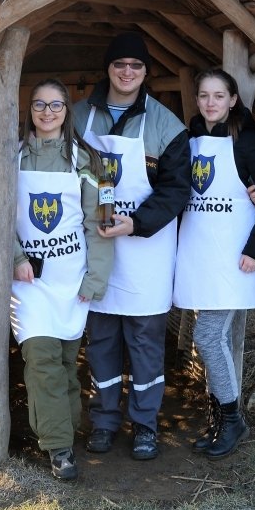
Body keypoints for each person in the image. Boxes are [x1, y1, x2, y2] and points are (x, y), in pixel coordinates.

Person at [72, 31, 191, 461]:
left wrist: (136, 223)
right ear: (108, 68)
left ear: (146, 72)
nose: (127, 72)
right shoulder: (78, 116)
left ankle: (144, 425)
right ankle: (103, 420)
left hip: (146, 251)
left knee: (145, 343)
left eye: (136, 66)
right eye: (120, 64)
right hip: (96, 250)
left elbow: (177, 190)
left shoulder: (166, 124)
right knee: (101, 339)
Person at [173, 68, 255, 459]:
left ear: (233, 100)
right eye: (204, 96)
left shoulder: (250, 142)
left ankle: (232, 420)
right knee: (216, 340)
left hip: (235, 256)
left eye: (219, 96)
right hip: (200, 253)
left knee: (207, 337)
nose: (211, 103)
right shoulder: (190, 140)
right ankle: (219, 419)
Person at [12, 78, 114, 481]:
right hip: (28, 282)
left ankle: (65, 431)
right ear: (30, 109)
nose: (48, 112)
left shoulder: (86, 161)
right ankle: (59, 449)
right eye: (40, 104)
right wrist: (16, 257)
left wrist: (95, 278)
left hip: (71, 279)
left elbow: (99, 224)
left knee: (66, 362)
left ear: (67, 111)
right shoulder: (11, 157)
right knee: (41, 358)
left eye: (56, 105)